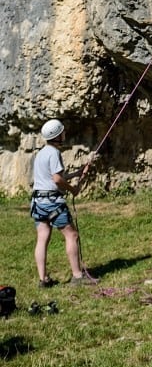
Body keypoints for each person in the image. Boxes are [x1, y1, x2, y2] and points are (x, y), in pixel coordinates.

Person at [31, 118, 86, 286]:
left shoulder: (41, 153)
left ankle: (43, 279)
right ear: (58, 136)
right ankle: (77, 276)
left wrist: (77, 173)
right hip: (52, 202)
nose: (65, 133)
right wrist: (72, 189)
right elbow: (56, 180)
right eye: (63, 131)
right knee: (72, 235)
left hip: (37, 201)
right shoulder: (54, 153)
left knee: (42, 237)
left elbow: (52, 177)